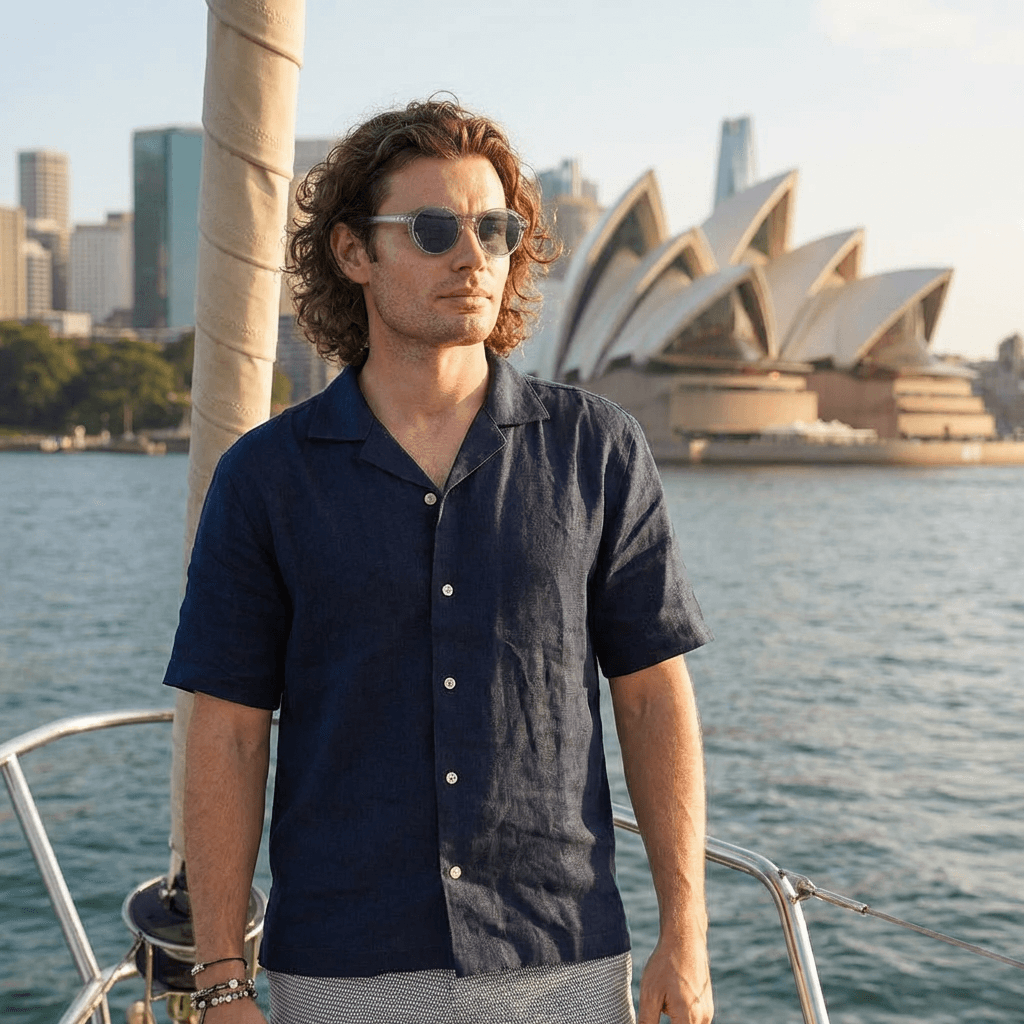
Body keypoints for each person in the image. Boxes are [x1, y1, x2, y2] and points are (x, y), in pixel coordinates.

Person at [164, 98, 714, 1024]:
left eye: (496, 229)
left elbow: (653, 694)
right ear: (353, 254)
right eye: (432, 229)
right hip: (342, 968)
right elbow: (227, 728)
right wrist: (224, 981)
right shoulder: (265, 477)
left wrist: (686, 933)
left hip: (563, 957)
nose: (474, 256)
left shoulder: (599, 450)